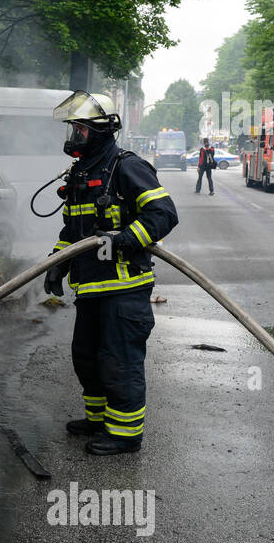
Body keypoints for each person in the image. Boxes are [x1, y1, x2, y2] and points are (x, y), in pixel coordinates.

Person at [43, 91, 179, 455]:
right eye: (73, 129)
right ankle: (100, 420)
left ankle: (125, 434)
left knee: (119, 361)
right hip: (89, 290)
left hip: (123, 291)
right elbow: (73, 233)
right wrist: (58, 264)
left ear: (102, 131)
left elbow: (163, 214)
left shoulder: (126, 167)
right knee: (86, 357)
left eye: (80, 130)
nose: (74, 136)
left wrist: (122, 240)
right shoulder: (82, 173)